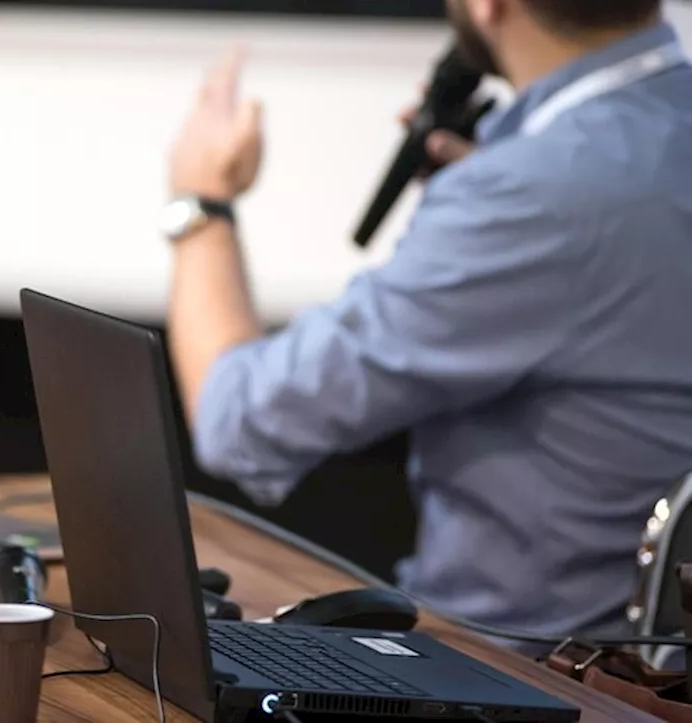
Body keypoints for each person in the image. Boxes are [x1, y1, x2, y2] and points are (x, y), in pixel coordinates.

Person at [162, 0, 692, 646]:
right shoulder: (581, 169)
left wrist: (202, 203)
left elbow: (239, 417)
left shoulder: (528, 193)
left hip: (523, 673)